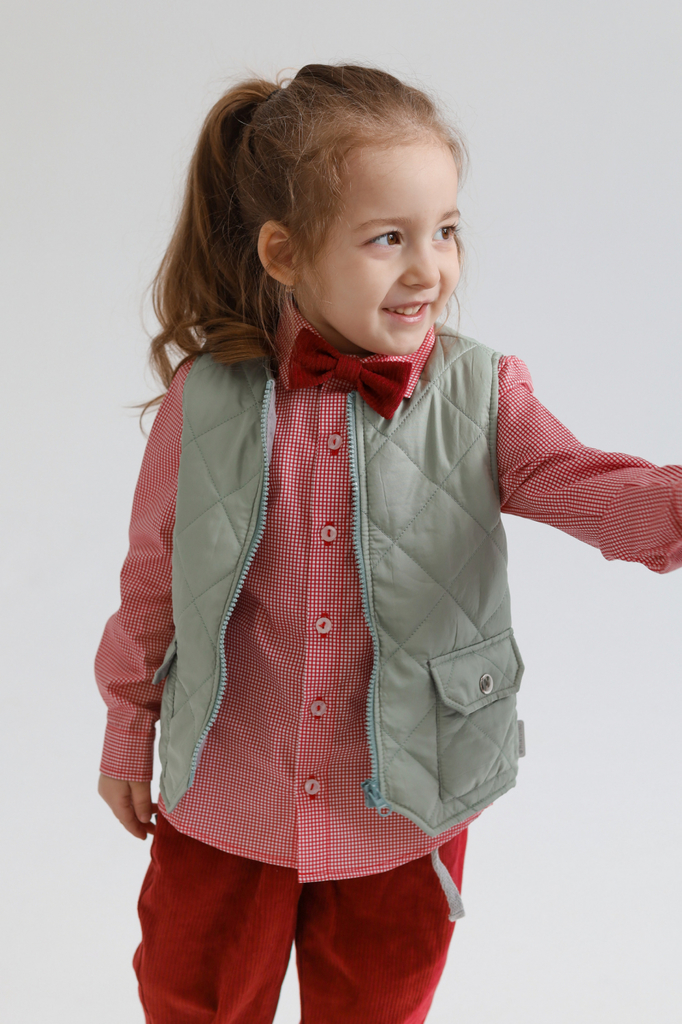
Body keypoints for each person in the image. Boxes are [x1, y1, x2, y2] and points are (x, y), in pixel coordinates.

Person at [95, 63, 682, 1023]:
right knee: (192, 1000)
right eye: (388, 238)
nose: (429, 269)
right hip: (230, 790)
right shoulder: (205, 399)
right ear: (284, 252)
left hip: (404, 801)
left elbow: (590, 487)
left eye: (445, 230)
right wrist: (129, 727)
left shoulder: (482, 394)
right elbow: (154, 580)